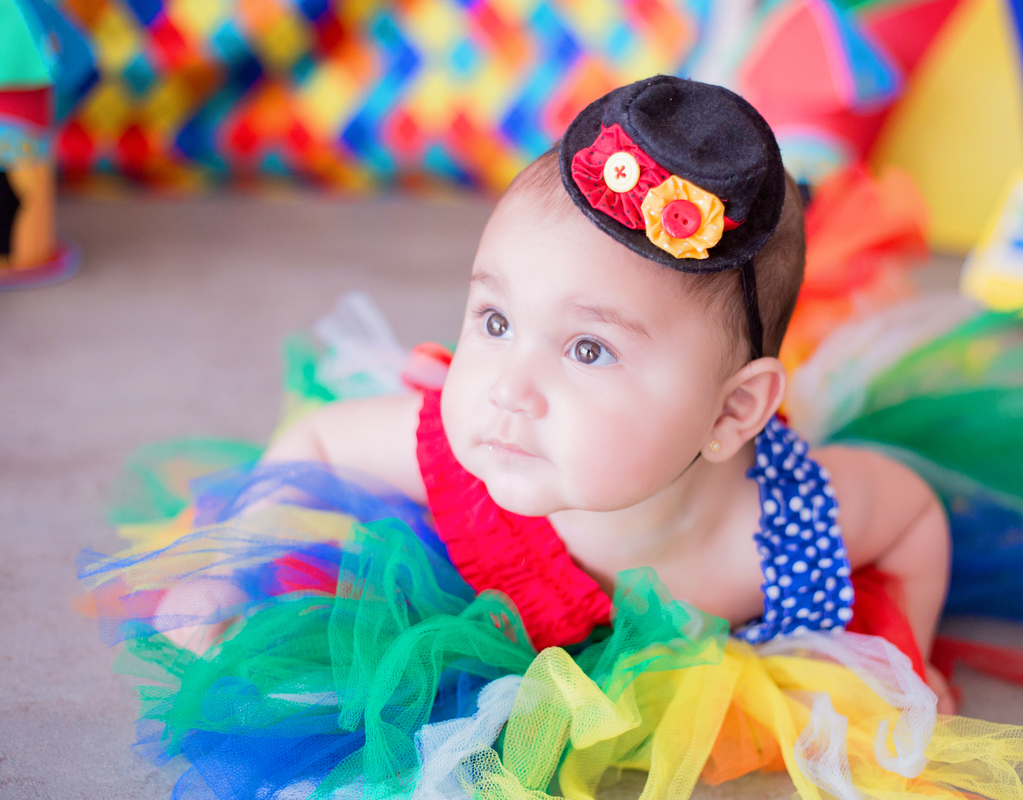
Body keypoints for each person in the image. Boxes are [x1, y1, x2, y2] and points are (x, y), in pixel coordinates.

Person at [158, 76, 956, 712]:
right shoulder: (460, 452)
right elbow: (323, 438)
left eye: (587, 349)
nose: (507, 387)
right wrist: (235, 565)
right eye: (495, 319)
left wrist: (909, 655)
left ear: (733, 412)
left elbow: (915, 514)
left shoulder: (774, 533)